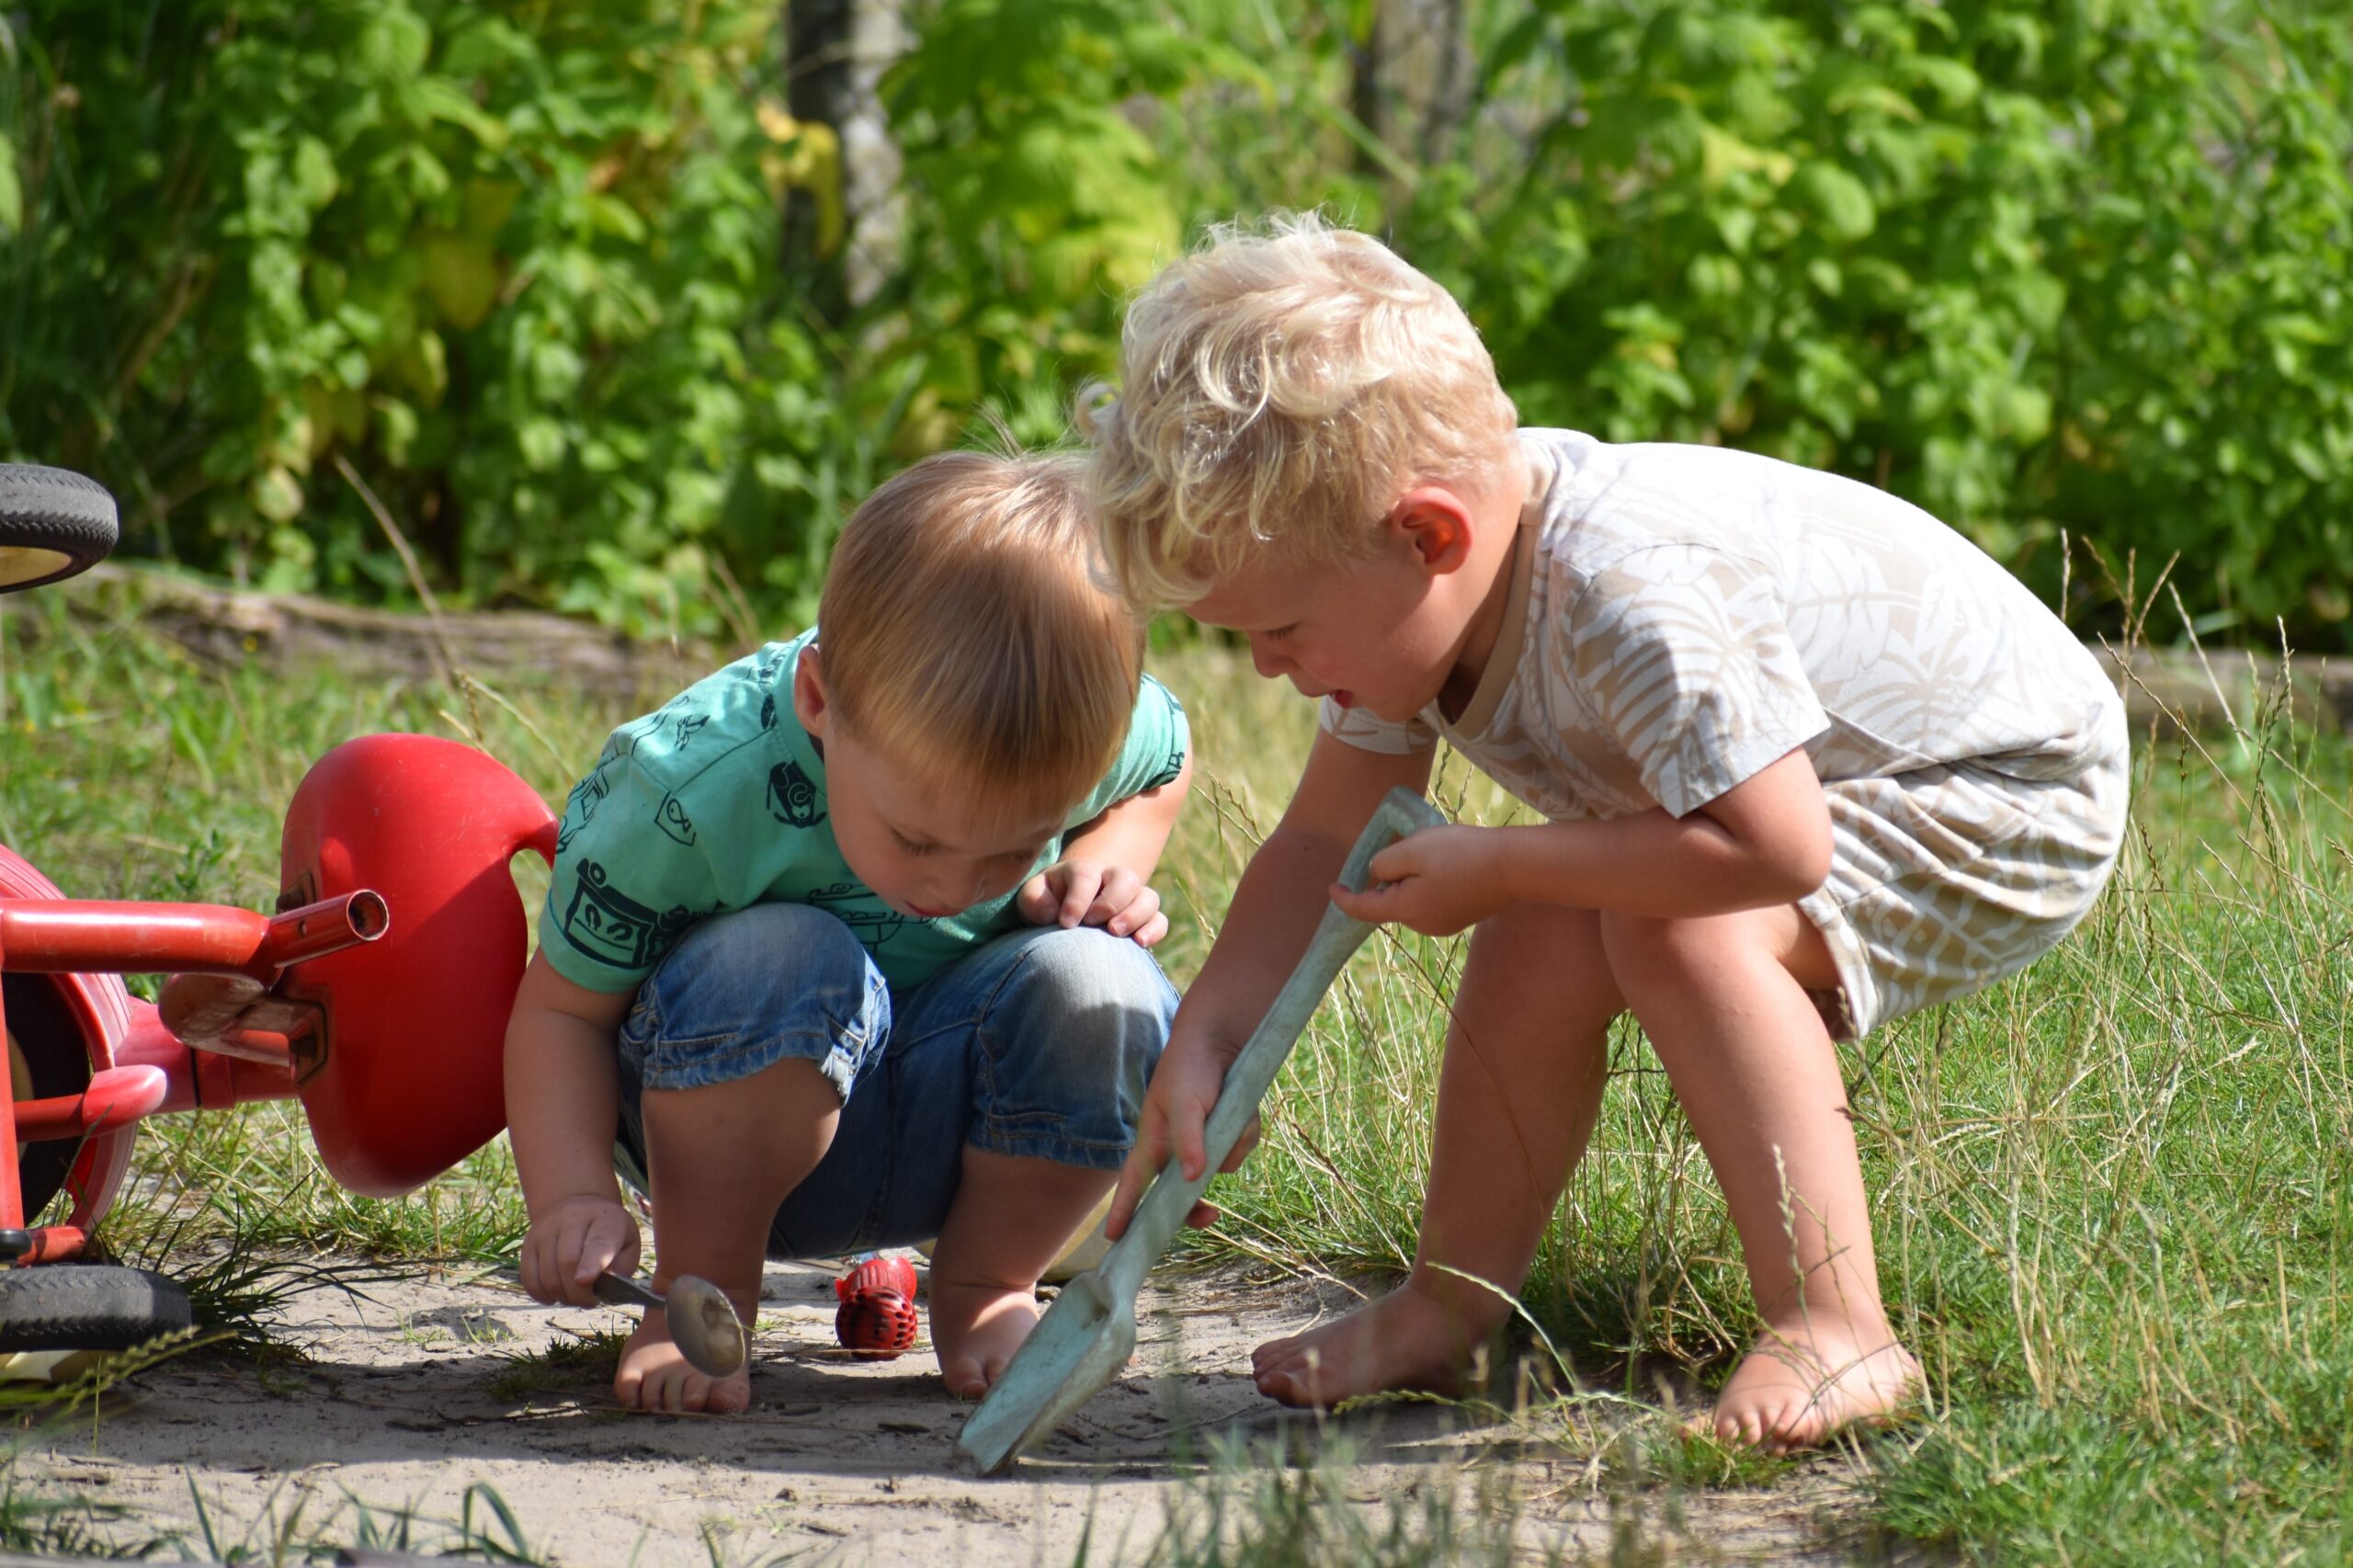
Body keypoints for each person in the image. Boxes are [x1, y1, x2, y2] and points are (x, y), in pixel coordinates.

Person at [1086, 214, 2128, 1451]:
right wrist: (1210, 1026)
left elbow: (1774, 848)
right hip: (1806, 796)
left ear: (1429, 538)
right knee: (1546, 932)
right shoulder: (1405, 598)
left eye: (1284, 631)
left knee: (1670, 930)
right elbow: (1322, 837)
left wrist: (1510, 857)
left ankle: (1839, 1321)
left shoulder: (1629, 593)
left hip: (2005, 788)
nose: (1269, 671)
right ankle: (1450, 1305)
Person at [506, 449, 1191, 1415]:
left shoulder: (1073, 725)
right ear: (820, 703)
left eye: (1006, 853)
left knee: (1104, 981)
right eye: (916, 837)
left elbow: (1168, 761)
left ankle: (987, 1284)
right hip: (724, 1139)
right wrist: (572, 1194)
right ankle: (704, 1297)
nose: (950, 886)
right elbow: (561, 1014)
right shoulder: (686, 795)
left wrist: (1105, 857)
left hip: (955, 1135)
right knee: (783, 957)